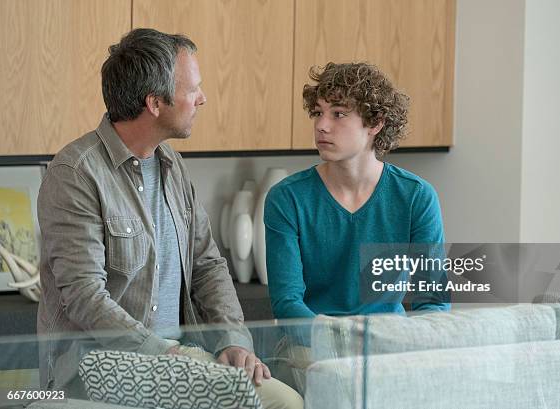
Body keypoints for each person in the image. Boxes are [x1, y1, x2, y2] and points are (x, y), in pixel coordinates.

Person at [36, 28, 302, 409]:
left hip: (176, 358)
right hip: (102, 368)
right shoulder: (76, 173)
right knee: (280, 404)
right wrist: (164, 354)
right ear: (156, 103)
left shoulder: (172, 164)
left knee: (283, 401)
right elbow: (84, 296)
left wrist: (233, 341)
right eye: (193, 89)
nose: (202, 98)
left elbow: (207, 265)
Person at [264, 62, 450, 392]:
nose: (321, 126)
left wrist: (398, 346)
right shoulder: (286, 198)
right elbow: (288, 305)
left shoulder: (415, 197)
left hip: (388, 348)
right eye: (318, 112)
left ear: (375, 123)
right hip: (309, 350)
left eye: (338, 114)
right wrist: (345, 345)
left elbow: (433, 301)